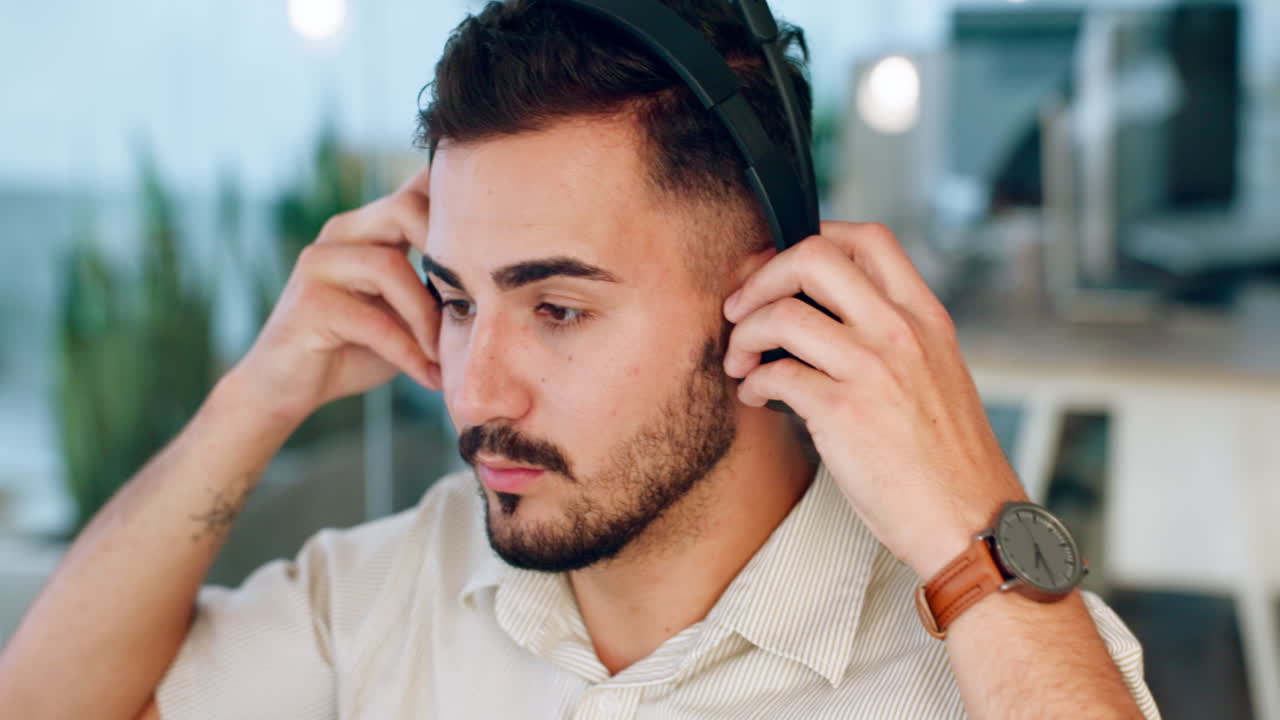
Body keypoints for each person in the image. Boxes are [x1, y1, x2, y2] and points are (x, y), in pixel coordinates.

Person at [0, 1, 1159, 717]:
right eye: (456, 300)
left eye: (556, 308)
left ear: (773, 301)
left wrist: (970, 523)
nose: (475, 390)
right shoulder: (394, 590)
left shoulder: (991, 649)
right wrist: (254, 398)